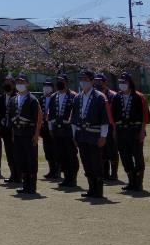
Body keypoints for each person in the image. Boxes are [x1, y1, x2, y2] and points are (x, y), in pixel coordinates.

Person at [71, 70, 111, 199]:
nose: (83, 82)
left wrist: (103, 136)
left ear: (92, 81)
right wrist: (74, 135)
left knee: (96, 162)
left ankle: (98, 191)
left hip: (94, 134)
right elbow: (74, 119)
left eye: (86, 79)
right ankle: (91, 188)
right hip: (81, 134)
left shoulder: (99, 97)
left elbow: (104, 119)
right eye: (81, 79)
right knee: (86, 162)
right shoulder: (77, 97)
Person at [111, 72, 148, 192]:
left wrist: (142, 131)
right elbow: (113, 116)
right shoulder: (116, 97)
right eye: (120, 82)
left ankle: (139, 183)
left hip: (135, 130)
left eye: (125, 82)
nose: (122, 84)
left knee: (137, 156)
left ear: (130, 83)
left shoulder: (139, 96)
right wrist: (114, 131)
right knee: (125, 156)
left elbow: (145, 116)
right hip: (121, 130)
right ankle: (131, 181)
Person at [8, 75, 43, 195]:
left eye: (22, 82)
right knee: (21, 159)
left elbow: (38, 118)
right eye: (17, 82)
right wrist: (13, 133)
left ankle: (32, 186)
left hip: (29, 133)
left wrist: (36, 134)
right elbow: (12, 119)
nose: (19, 84)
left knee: (31, 160)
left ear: (27, 83)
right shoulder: (13, 99)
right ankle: (25, 184)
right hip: (18, 133)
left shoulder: (33, 100)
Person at [49, 74, 79, 188]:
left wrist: (75, 132)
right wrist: (51, 128)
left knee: (71, 154)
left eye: (62, 81)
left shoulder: (73, 96)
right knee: (60, 155)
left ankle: (73, 178)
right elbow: (50, 114)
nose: (59, 82)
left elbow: (76, 115)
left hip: (69, 130)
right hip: (57, 130)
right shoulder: (53, 96)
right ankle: (66, 177)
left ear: (67, 82)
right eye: (58, 81)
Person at [94, 73, 119, 182]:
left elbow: (116, 113)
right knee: (102, 151)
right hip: (98, 127)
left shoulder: (113, 95)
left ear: (105, 82)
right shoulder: (94, 95)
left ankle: (114, 173)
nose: (98, 83)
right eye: (96, 81)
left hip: (110, 126)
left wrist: (114, 128)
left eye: (100, 81)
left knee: (112, 151)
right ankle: (105, 172)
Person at [0, 76, 20, 184]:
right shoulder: (1, 98)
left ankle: (19, 175)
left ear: (13, 84)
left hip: (15, 130)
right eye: (5, 82)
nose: (6, 84)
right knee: (9, 153)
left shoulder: (17, 96)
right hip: (5, 130)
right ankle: (13, 174)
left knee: (17, 152)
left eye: (8, 82)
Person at [40, 79, 60, 179]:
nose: (46, 88)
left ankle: (57, 170)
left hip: (54, 128)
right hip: (44, 129)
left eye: (48, 86)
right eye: (44, 86)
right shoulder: (41, 99)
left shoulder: (56, 98)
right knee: (47, 150)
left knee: (55, 149)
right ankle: (51, 170)